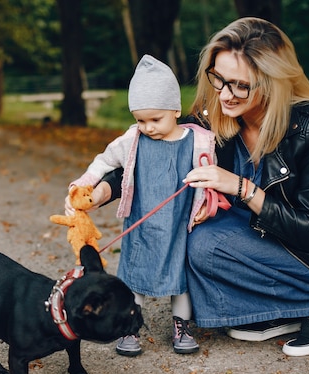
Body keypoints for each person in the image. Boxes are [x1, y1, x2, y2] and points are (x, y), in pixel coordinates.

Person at [176, 17, 309, 356]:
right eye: (218, 79)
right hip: (265, 235)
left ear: (270, 83)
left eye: (240, 85)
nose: (225, 94)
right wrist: (101, 187)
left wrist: (241, 186)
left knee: (210, 244)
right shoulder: (217, 115)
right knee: (200, 242)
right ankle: (282, 310)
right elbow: (159, 147)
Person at [64, 55, 218, 356]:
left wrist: (206, 205)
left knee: (180, 279)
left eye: (155, 119)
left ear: (175, 110)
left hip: (178, 225)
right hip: (142, 224)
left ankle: (182, 326)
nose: (147, 127)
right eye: (140, 120)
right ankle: (129, 328)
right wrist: (83, 185)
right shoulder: (133, 139)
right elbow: (105, 161)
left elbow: (211, 180)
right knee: (134, 277)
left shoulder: (198, 141)